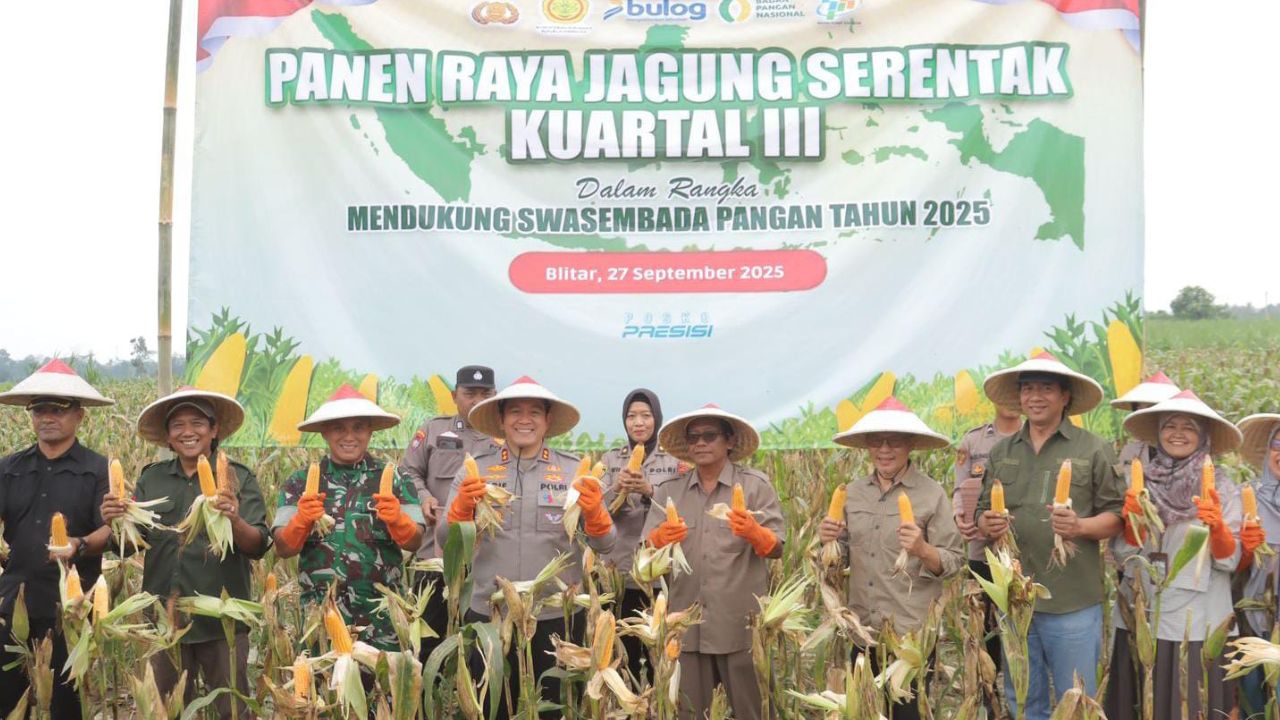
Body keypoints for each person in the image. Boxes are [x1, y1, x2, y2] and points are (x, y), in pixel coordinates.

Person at [444, 376, 616, 719]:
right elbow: (443, 543)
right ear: (502, 419)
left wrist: (595, 513)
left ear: (548, 420)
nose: (525, 419)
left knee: (553, 707)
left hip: (555, 616)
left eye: (535, 411)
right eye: (516, 411)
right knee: (491, 708)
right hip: (489, 614)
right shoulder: (474, 471)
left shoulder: (572, 471)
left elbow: (606, 544)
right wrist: (461, 511)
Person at [102, 386, 270, 716]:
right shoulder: (153, 478)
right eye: (177, 425)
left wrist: (233, 518)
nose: (188, 432)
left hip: (222, 620)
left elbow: (258, 545)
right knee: (163, 710)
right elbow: (133, 543)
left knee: (232, 709)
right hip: (165, 622)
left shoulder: (239, 477)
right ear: (167, 435)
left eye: (197, 423)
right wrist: (117, 521)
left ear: (214, 429)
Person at [975, 352, 1124, 720]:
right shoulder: (1002, 451)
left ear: (1065, 396)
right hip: (1015, 599)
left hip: (1071, 602)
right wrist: (986, 525)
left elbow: (1118, 516)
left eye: (1046, 388)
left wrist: (1080, 527)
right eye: (1028, 389)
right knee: (1023, 699)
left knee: (1077, 701)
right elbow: (980, 512)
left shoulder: (1093, 449)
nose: (1035, 397)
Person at [818, 397, 963, 720]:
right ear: (867, 446)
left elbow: (953, 561)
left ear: (910, 444)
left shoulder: (930, 494)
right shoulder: (852, 492)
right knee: (865, 712)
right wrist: (827, 542)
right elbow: (837, 560)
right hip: (862, 629)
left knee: (906, 713)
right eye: (876, 441)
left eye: (894, 441)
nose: (884, 449)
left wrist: (923, 549)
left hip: (909, 635)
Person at [642, 403, 784, 720]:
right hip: (686, 629)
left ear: (730, 441)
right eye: (694, 437)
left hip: (740, 628)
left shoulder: (755, 486)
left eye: (710, 435)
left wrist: (755, 533)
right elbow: (644, 556)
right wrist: (659, 540)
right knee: (688, 714)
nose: (701, 443)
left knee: (755, 712)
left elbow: (777, 547)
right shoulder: (670, 492)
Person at [1106, 390, 1243, 718]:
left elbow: (1230, 559)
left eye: (1189, 427)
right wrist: (1133, 520)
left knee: (1190, 704)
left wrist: (1218, 527)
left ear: (1204, 435)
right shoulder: (1141, 480)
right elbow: (1127, 554)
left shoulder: (1222, 486)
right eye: (1170, 425)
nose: (1177, 433)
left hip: (1196, 618)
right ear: (1159, 432)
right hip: (1143, 611)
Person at [0, 360, 115, 719]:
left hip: (71, 608)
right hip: (13, 602)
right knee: (8, 702)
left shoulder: (99, 468)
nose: (46, 416)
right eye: (39, 409)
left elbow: (111, 530)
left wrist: (78, 545)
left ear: (79, 416)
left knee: (66, 705)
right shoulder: (9, 467)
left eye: (58, 409)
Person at [273, 384, 426, 651]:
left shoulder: (395, 478)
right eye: (339, 428)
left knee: (382, 691)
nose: (349, 436)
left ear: (370, 431)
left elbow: (414, 541)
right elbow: (283, 548)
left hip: (382, 620)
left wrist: (397, 520)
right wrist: (302, 521)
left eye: (358, 427)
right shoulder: (299, 482)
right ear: (325, 432)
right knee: (322, 691)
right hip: (320, 618)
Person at [400, 365, 500, 658]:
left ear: (494, 396)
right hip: (436, 555)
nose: (477, 400)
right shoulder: (433, 430)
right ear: (455, 396)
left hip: (485, 560)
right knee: (427, 638)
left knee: (478, 642)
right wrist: (423, 497)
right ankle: (428, 700)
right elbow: (408, 473)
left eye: (485, 394)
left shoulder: (506, 438)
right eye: (470, 393)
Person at [600, 388, 682, 683]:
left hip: (660, 575)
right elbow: (596, 513)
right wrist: (617, 490)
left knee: (660, 654)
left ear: (657, 419)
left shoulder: (674, 461)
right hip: (619, 572)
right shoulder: (611, 460)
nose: (638, 423)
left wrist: (649, 491)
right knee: (625, 655)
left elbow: (681, 509)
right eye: (631, 416)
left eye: (646, 416)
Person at [951, 403, 1020, 714]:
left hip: (1017, 556)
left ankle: (1019, 700)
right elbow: (959, 487)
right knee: (985, 634)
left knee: (1017, 634)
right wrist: (958, 515)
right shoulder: (972, 441)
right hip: (981, 553)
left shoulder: (1033, 438)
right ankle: (989, 705)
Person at [1233, 412, 1280, 714]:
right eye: (1278, 444)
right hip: (1254, 619)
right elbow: (1229, 564)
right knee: (1255, 700)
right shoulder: (1243, 498)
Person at [1109, 371, 1180, 470]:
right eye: (1138, 409)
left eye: (1151, 409)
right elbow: (1120, 482)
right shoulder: (1131, 450)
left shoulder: (1186, 451)